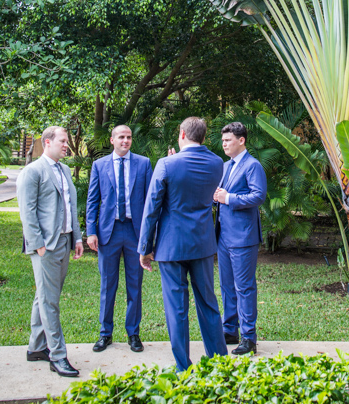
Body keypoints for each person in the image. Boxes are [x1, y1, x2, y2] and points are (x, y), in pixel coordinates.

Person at [137, 117, 228, 372]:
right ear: (203, 136)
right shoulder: (216, 163)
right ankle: (220, 363)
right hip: (202, 243)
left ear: (182, 133)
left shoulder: (167, 164)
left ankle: (183, 367)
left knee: (177, 308)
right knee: (208, 303)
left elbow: (151, 208)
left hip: (171, 245)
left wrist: (145, 248)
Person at [17, 126, 84, 378]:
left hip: (64, 242)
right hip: (45, 247)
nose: (67, 145)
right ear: (47, 142)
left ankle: (36, 347)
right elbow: (27, 211)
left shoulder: (64, 169)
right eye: (63, 141)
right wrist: (38, 244)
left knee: (44, 297)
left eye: (67, 141)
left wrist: (76, 237)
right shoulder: (32, 171)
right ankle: (57, 355)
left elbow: (70, 206)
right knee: (50, 301)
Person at [85, 124, 153, 354]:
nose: (126, 141)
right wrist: (91, 231)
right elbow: (93, 200)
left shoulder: (143, 164)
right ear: (112, 140)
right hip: (109, 232)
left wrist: (149, 235)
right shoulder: (99, 165)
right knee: (108, 285)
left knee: (135, 285)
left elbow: (150, 201)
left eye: (129, 137)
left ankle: (133, 333)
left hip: (135, 233)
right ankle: (105, 334)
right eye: (121, 137)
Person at [213, 121, 267, 355]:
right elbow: (220, 194)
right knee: (226, 286)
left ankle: (249, 337)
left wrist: (229, 198)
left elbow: (258, 196)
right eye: (223, 140)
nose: (223, 144)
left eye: (227, 140)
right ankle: (230, 330)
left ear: (241, 140)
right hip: (223, 236)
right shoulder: (226, 166)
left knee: (244, 287)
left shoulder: (252, 165)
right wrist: (218, 197)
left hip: (244, 237)